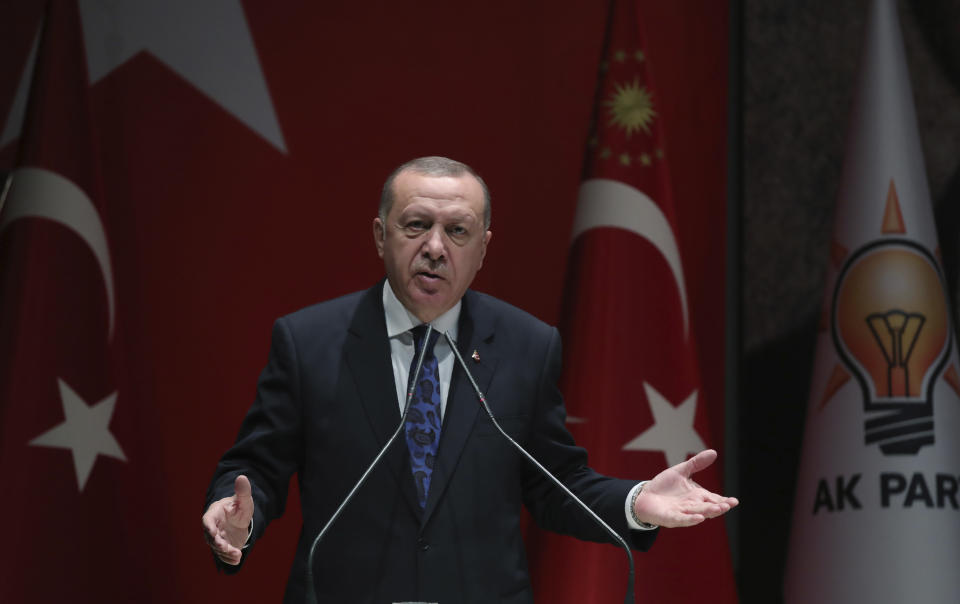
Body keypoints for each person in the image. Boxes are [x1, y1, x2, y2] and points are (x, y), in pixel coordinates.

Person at [203, 156, 738, 603]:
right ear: (379, 235)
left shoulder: (527, 345)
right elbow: (257, 467)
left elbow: (555, 481)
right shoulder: (308, 343)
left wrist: (635, 501)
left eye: (457, 231)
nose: (435, 247)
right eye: (416, 226)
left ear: (482, 249)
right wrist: (235, 518)